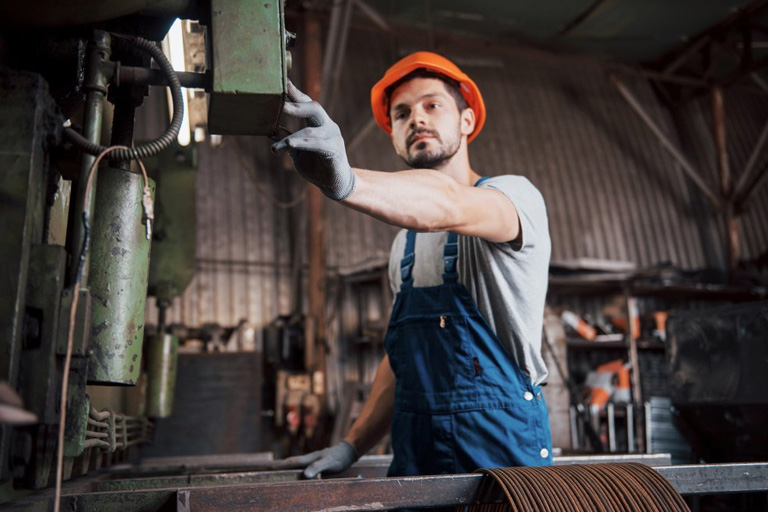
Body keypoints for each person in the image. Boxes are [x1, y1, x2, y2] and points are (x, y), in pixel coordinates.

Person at [273, 52, 552, 480]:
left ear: (466, 120)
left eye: (432, 105)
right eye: (401, 114)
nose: (416, 118)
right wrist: (351, 445)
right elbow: (402, 360)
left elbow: (448, 203)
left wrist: (347, 180)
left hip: (503, 461)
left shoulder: (514, 198)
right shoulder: (404, 245)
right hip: (416, 464)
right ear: (395, 137)